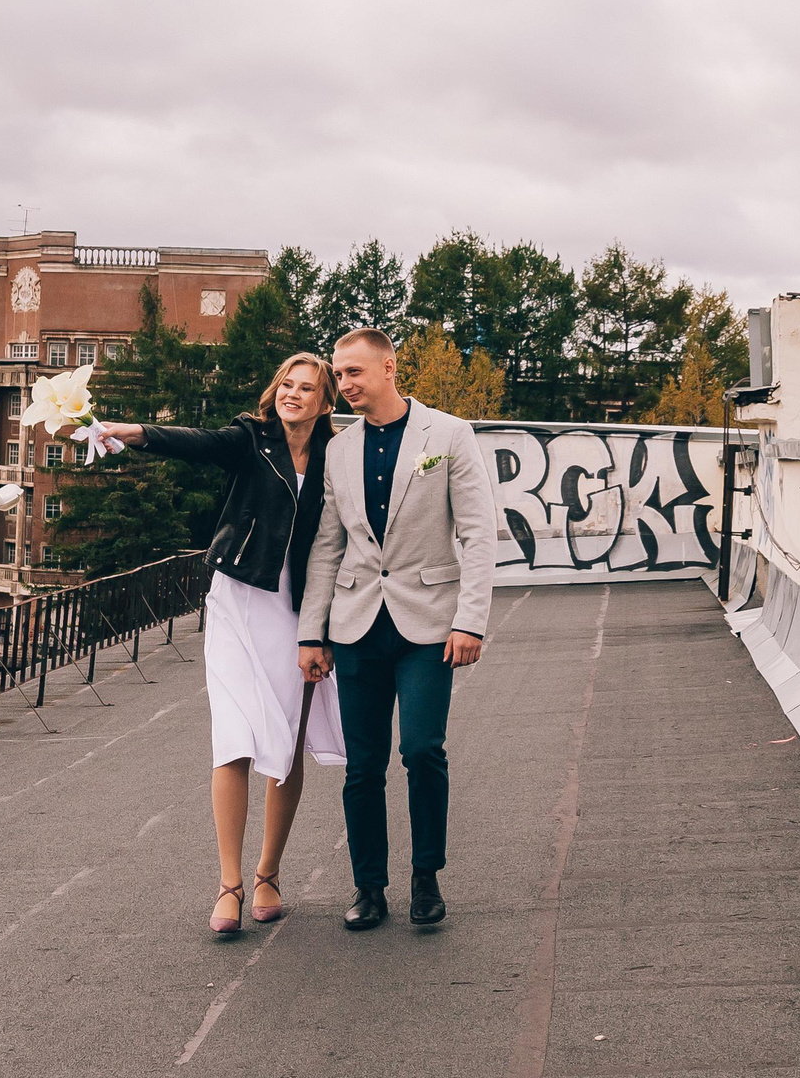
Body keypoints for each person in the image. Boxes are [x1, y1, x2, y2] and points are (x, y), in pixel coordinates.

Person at [91, 353, 345, 938]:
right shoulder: (250, 439)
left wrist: (325, 627)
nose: (293, 394)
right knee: (232, 736)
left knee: (284, 738)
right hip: (237, 599)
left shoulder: (338, 457)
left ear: (325, 403)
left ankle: (268, 873)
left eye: (307, 388)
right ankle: (229, 881)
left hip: (297, 610)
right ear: (274, 390)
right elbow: (195, 443)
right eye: (287, 384)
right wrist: (130, 433)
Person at [298, 328, 498, 931]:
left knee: (421, 750)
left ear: (389, 367)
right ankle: (368, 887)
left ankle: (426, 878)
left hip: (430, 624)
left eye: (355, 371)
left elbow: (478, 532)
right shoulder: (337, 449)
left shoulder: (449, 434)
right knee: (362, 764)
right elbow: (327, 548)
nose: (345, 383)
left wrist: (471, 619)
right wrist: (313, 633)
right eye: (340, 373)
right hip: (356, 624)